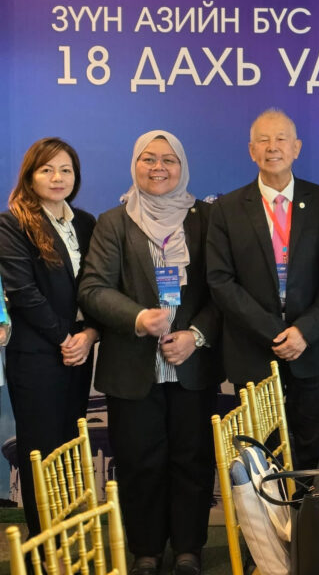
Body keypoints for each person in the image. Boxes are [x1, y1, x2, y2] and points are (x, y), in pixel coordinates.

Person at [78, 131, 221, 575]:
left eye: (168, 160)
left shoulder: (207, 219)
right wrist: (138, 318)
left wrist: (195, 335)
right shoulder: (113, 222)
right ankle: (145, 550)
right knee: (140, 462)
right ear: (135, 165)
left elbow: (225, 288)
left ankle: (189, 549)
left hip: (191, 367)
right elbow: (93, 288)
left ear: (182, 167)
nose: (158, 168)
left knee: (192, 460)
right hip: (132, 368)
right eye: (148, 159)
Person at [207, 109, 319, 470]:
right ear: (251, 150)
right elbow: (220, 280)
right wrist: (276, 332)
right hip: (253, 351)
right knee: (260, 458)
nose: (273, 147)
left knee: (315, 454)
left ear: (296, 147)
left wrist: (304, 331)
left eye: (281, 139)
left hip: (312, 349)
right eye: (263, 140)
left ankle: (312, 510)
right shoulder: (226, 208)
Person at [0, 138, 97, 537]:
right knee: (41, 450)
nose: (58, 177)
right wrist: (66, 338)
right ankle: (43, 544)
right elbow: (23, 292)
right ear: (30, 175)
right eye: (47, 169)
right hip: (37, 356)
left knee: (70, 447)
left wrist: (89, 334)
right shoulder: (12, 223)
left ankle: (68, 534)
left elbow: (99, 286)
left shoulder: (86, 223)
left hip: (79, 352)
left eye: (66, 170)